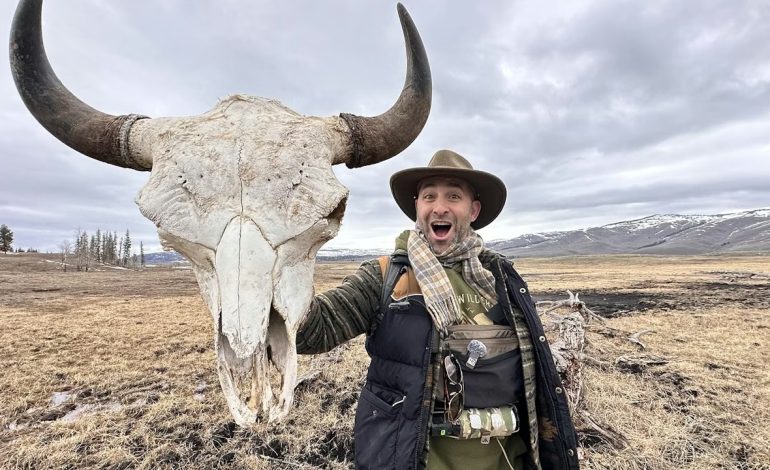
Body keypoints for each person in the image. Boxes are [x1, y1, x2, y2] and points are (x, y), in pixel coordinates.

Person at [296, 150, 579, 470]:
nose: (439, 206)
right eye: (429, 195)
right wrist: (286, 256)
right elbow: (310, 332)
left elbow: (533, 381)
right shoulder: (386, 277)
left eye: (453, 195)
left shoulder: (501, 279)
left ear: (473, 210)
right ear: (417, 207)